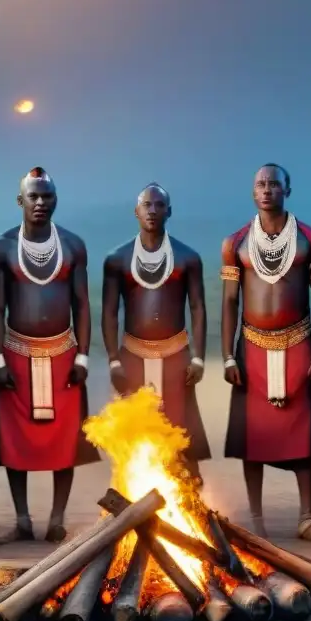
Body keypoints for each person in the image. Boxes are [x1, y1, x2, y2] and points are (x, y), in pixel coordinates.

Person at [0, 167, 101, 543]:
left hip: (63, 354)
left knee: (64, 442)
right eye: (32, 196)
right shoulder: (1, 248)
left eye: (46, 196)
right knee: (15, 440)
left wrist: (83, 357)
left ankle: (57, 518)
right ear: (20, 201)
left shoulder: (72, 246)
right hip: (16, 353)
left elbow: (82, 305)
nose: (39, 203)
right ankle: (22, 519)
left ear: (55, 200)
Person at [220, 164, 311, 544]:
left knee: (302, 432)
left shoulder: (310, 240)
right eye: (260, 184)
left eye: (273, 183)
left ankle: (308, 518)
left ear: (288, 188)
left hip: (299, 343)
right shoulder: (235, 242)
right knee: (252, 437)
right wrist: (228, 356)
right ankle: (256, 520)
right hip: (250, 345)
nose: (266, 189)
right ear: (252, 191)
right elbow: (230, 302)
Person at [101, 183, 211, 481]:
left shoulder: (188, 258)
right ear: (136, 212)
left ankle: (190, 504)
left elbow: (198, 309)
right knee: (135, 433)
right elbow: (110, 313)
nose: (152, 210)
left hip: (177, 357)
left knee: (182, 431)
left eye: (158, 205)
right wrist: (113, 360)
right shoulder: (117, 259)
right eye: (146, 205)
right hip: (133, 357)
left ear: (169, 211)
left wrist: (198, 359)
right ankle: (134, 499)